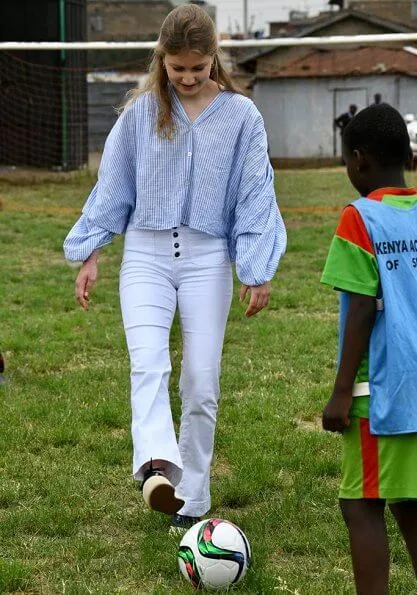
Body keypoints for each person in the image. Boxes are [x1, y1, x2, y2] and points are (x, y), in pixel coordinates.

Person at [63, 4, 286, 533]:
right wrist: (91, 252)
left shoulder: (241, 116)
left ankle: (192, 497)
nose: (187, 78)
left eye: (198, 68)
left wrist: (256, 266)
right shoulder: (141, 112)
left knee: (201, 381)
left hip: (208, 258)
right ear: (161, 60)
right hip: (146, 254)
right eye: (176, 68)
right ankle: (159, 469)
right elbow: (112, 185)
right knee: (149, 364)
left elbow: (256, 191)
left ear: (215, 59)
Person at [321, 103, 417, 594]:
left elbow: (361, 307)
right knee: (411, 497)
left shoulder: (360, 218)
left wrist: (341, 393)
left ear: (359, 159)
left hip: (382, 393)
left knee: (361, 504)